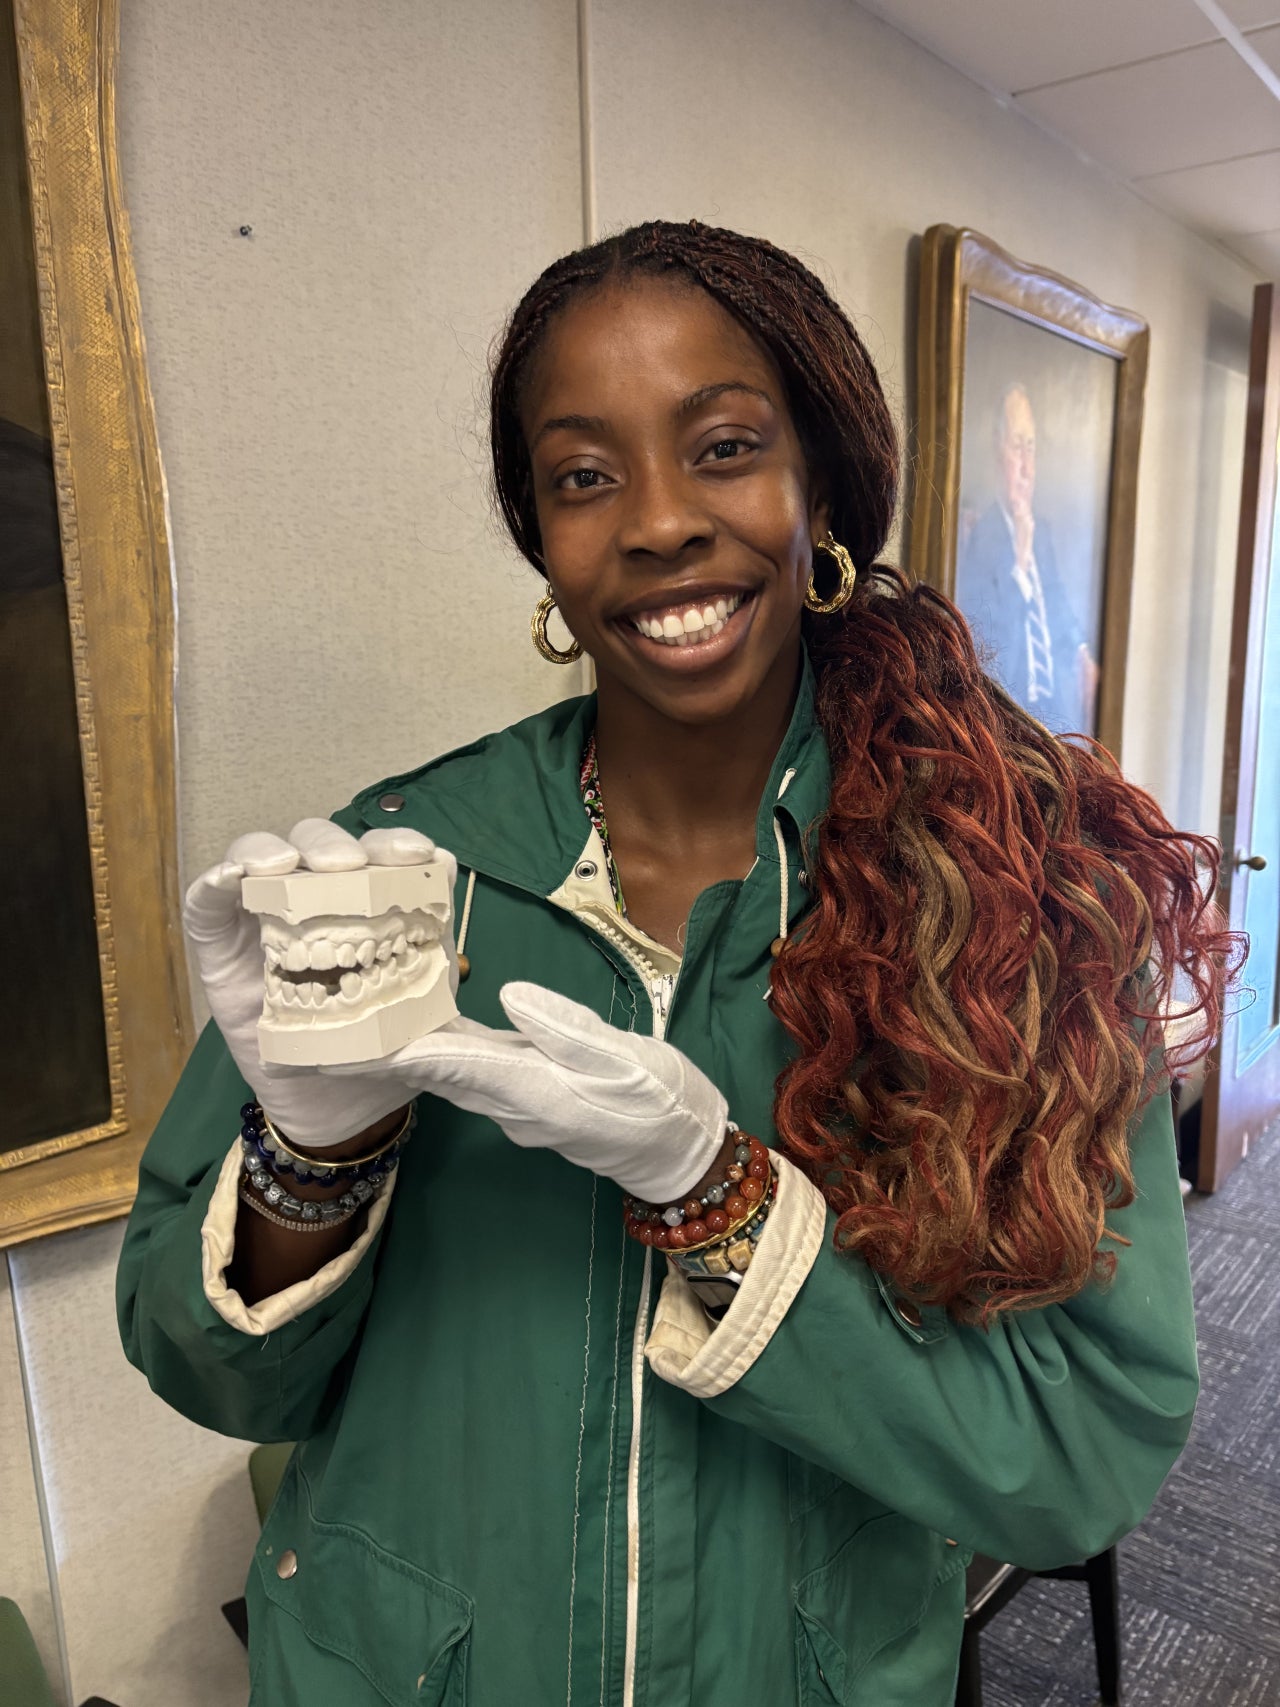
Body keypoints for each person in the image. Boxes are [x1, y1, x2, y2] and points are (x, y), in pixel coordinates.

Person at [117, 221, 1238, 1707]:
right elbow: (214, 1378)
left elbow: (1078, 1459)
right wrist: (308, 1165)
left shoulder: (1003, 896)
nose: (655, 522)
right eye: (585, 475)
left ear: (818, 485)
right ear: (539, 537)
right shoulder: (402, 873)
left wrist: (729, 1201)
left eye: (721, 447)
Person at [958, 382, 1101, 734]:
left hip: (1055, 714)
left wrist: (1082, 652)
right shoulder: (980, 538)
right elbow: (989, 650)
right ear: (997, 452)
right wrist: (1018, 569)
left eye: (1031, 448)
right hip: (1009, 719)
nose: (1027, 466)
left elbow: (1058, 603)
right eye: (1017, 447)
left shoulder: (1043, 533)